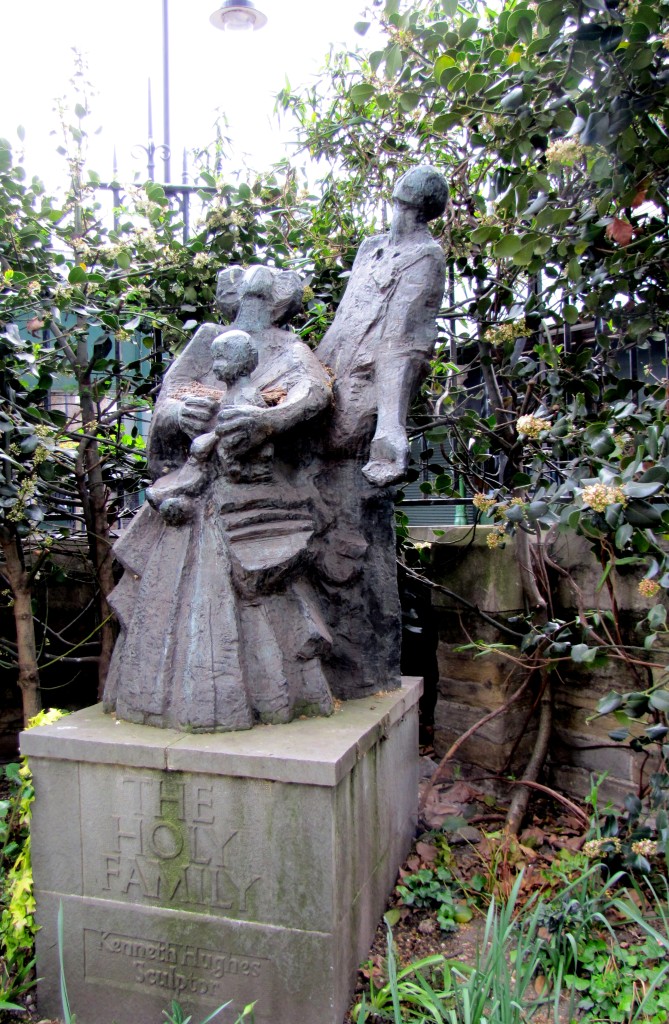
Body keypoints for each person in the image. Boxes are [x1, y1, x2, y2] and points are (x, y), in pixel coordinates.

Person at [103, 266, 334, 731]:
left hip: (251, 484)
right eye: (246, 296)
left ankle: (263, 692)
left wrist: (268, 421)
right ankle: (157, 692)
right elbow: (168, 397)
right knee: (166, 547)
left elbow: (315, 392)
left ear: (278, 303)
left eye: (262, 297)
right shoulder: (209, 337)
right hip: (199, 479)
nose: (253, 305)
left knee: (244, 573)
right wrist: (176, 413)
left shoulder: (289, 347)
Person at [313, 165, 448, 698]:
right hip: (334, 374)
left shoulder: (427, 257)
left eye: (410, 201)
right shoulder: (371, 246)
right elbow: (345, 316)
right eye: (399, 198)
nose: (400, 209)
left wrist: (390, 426)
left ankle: (356, 659)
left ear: (422, 205)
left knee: (349, 503)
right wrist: (309, 374)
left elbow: (405, 340)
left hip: (371, 384)